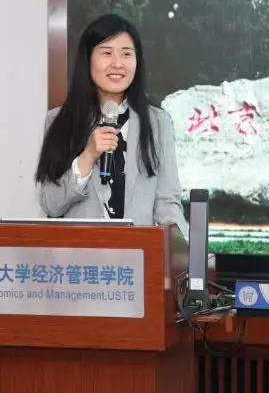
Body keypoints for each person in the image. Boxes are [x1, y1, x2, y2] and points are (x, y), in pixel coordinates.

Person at [35, 13, 188, 237]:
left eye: (126, 54)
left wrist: (184, 251)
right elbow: (51, 205)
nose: (117, 64)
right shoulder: (60, 120)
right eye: (107, 53)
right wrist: (88, 155)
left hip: (136, 254)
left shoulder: (157, 123)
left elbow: (167, 204)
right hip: (80, 255)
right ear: (88, 59)